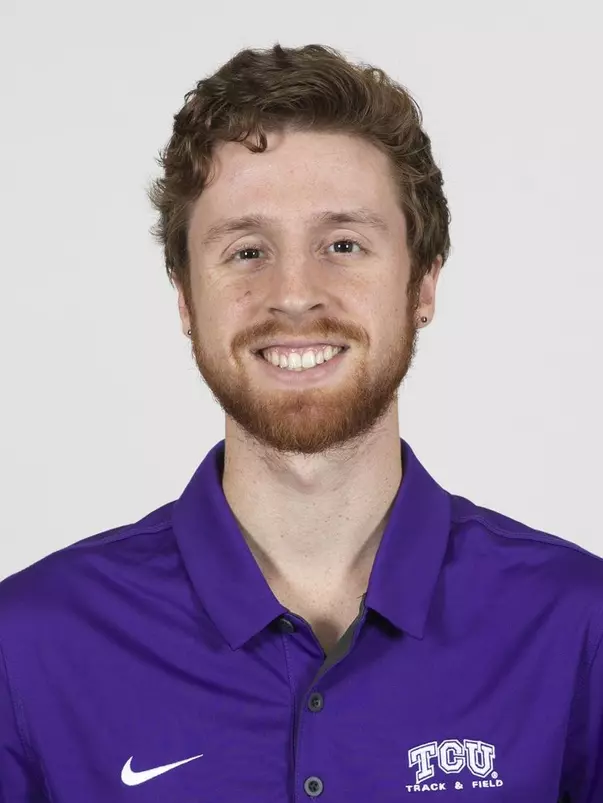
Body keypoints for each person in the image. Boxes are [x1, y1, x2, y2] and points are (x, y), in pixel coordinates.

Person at [0, 42, 601, 803]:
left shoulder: (577, 626)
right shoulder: (28, 646)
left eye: (343, 244)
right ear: (186, 299)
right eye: (247, 250)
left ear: (422, 284)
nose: (292, 294)